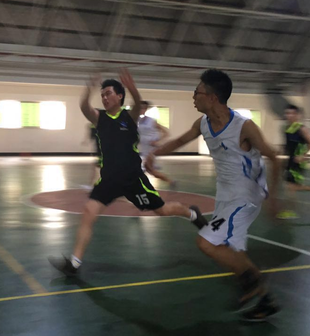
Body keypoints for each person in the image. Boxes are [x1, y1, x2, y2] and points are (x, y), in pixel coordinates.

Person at [146, 69, 281, 321]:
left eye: (197, 92)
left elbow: (274, 157)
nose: (193, 96)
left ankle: (254, 281)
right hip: (225, 194)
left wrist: (273, 198)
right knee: (231, 250)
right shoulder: (203, 123)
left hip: (246, 195)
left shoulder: (244, 127)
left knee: (206, 242)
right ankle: (265, 299)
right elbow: (180, 141)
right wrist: (155, 153)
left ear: (213, 97)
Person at [49, 69, 207, 276]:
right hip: (108, 181)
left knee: (162, 210)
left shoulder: (129, 118)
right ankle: (74, 264)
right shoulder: (100, 118)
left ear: (119, 96)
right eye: (102, 95)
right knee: (89, 211)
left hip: (133, 180)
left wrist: (133, 89)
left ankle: (192, 214)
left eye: (108, 93)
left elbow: (137, 104)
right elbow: (84, 107)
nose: (104, 98)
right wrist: (88, 90)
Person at [277, 105, 310, 219]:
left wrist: (303, 156)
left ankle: (291, 211)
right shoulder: (286, 128)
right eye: (287, 113)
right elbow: (287, 145)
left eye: (292, 113)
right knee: (293, 186)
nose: (290, 116)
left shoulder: (302, 129)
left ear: (298, 115)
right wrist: (280, 152)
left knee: (291, 187)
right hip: (290, 160)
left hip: (298, 162)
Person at [138, 101, 175, 186]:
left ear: (146, 109)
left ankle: (170, 181)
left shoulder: (151, 121)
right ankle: (170, 181)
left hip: (151, 150)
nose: (141, 110)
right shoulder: (138, 120)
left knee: (149, 170)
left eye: (143, 108)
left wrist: (157, 141)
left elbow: (166, 132)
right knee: (150, 171)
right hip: (144, 149)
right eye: (140, 108)